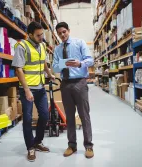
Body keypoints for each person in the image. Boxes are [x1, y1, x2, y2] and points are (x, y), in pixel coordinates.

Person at [12, 22, 55, 162]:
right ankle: (30, 147)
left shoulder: (42, 45)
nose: (41, 37)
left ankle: (37, 141)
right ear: (30, 34)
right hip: (27, 89)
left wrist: (49, 74)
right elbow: (19, 69)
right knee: (28, 119)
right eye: (38, 35)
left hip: (40, 87)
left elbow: (43, 62)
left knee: (44, 115)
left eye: (42, 34)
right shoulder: (22, 46)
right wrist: (26, 90)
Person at [52, 22, 94, 159]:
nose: (62, 35)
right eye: (59, 33)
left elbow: (90, 60)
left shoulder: (79, 43)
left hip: (79, 82)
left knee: (84, 115)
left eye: (64, 32)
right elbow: (55, 67)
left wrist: (80, 63)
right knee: (69, 117)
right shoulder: (57, 49)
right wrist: (61, 65)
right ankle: (72, 145)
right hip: (65, 84)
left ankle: (88, 146)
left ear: (68, 31)